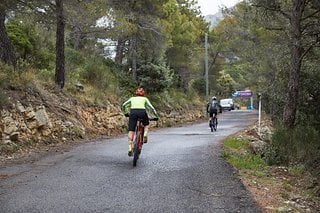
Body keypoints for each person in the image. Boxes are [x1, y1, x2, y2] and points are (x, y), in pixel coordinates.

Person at [122, 87, 159, 156]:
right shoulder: (145, 99)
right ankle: (145, 134)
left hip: (133, 112)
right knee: (146, 124)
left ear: (136, 93)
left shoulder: (132, 98)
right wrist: (156, 116)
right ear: (143, 94)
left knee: (131, 130)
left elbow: (124, 105)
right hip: (142, 112)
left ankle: (130, 147)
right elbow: (151, 108)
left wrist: (126, 112)